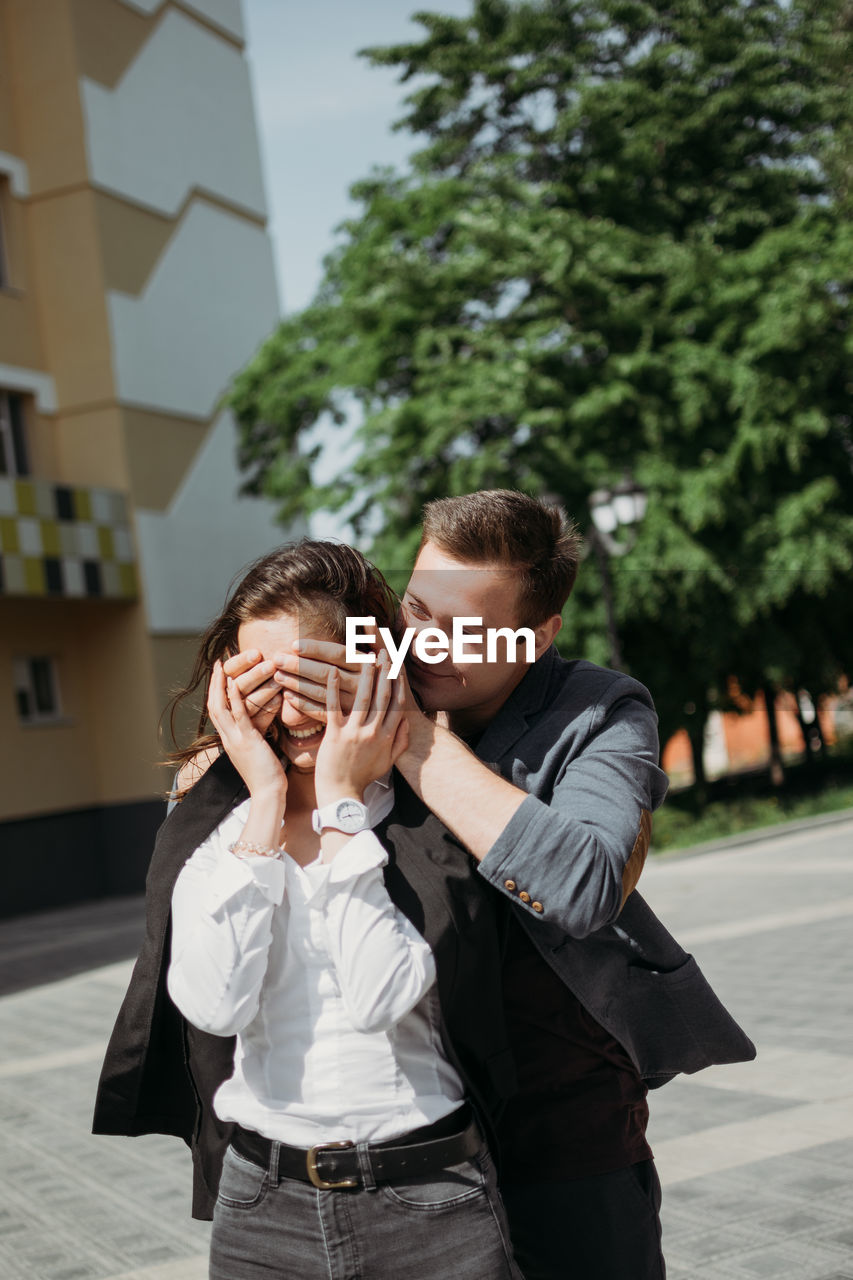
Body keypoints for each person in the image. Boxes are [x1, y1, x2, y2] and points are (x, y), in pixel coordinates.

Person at [267, 491, 756, 1280]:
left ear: (537, 638)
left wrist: (413, 737)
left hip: (563, 1121)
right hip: (402, 1125)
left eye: (464, 631)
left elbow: (583, 883)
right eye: (416, 609)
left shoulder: (599, 710)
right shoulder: (361, 673)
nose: (423, 645)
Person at [93, 540, 521, 1280]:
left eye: (306, 678)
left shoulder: (426, 815)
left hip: (432, 1204)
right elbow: (214, 1005)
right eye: (260, 682)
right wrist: (262, 808)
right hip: (263, 1211)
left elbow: (379, 993)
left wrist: (340, 811)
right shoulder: (213, 827)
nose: (287, 710)